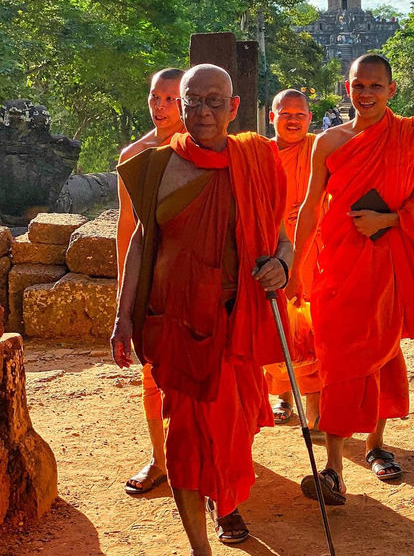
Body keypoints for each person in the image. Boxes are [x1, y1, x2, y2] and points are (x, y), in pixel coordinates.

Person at [111, 64, 292, 553]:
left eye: (216, 101)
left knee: (233, 433)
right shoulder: (154, 167)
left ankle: (227, 503)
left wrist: (282, 265)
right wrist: (122, 316)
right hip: (179, 324)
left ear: (234, 108)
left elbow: (281, 239)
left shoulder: (257, 161)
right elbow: (141, 245)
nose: (204, 111)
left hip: (237, 319)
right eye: (194, 101)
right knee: (186, 444)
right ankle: (198, 547)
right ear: (179, 105)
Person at [290, 54, 414, 505]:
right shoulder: (327, 142)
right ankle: (332, 469)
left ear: (392, 89)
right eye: (358, 86)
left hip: (385, 260)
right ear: (346, 88)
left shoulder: (412, 137)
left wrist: (393, 219)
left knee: (382, 350)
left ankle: (375, 445)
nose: (366, 94)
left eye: (375, 86)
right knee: (335, 354)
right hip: (337, 261)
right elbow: (310, 207)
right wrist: (294, 266)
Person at [116, 67, 185, 495]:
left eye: (171, 99)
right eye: (155, 98)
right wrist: (123, 298)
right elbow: (127, 228)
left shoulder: (200, 150)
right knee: (152, 375)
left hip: (195, 277)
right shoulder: (133, 155)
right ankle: (161, 459)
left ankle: (205, 459)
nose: (161, 107)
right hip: (150, 281)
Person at [263, 89, 324, 428]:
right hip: (271, 248)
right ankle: (283, 396)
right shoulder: (260, 153)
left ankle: (314, 410)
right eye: (285, 113)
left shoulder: (319, 149)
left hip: (313, 248)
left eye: (300, 114)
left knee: (314, 333)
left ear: (309, 119)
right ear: (272, 117)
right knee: (275, 327)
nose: (292, 120)